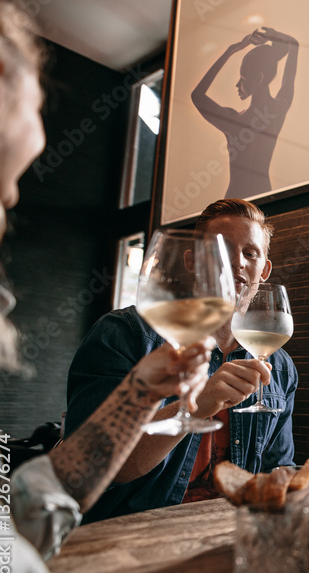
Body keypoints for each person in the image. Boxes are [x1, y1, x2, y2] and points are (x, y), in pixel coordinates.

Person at [0, 1, 211, 573]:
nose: (15, 197)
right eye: (40, 105)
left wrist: (141, 392)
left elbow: (14, 514)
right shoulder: (118, 331)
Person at [65, 198, 297, 521]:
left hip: (225, 537)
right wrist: (199, 403)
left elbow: (276, 471)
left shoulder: (281, 367)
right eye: (221, 249)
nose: (237, 262)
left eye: (250, 253)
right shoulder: (122, 336)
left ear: (265, 269)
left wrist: (303, 495)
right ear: (191, 262)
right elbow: (85, 469)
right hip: (124, 538)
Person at [191, 26, 298, 199]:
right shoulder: (279, 108)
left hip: (236, 202)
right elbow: (294, 45)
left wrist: (231, 50)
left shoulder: (235, 121)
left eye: (243, 79)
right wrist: (275, 35)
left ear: (259, 79)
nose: (237, 85)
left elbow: (197, 96)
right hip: (265, 199)